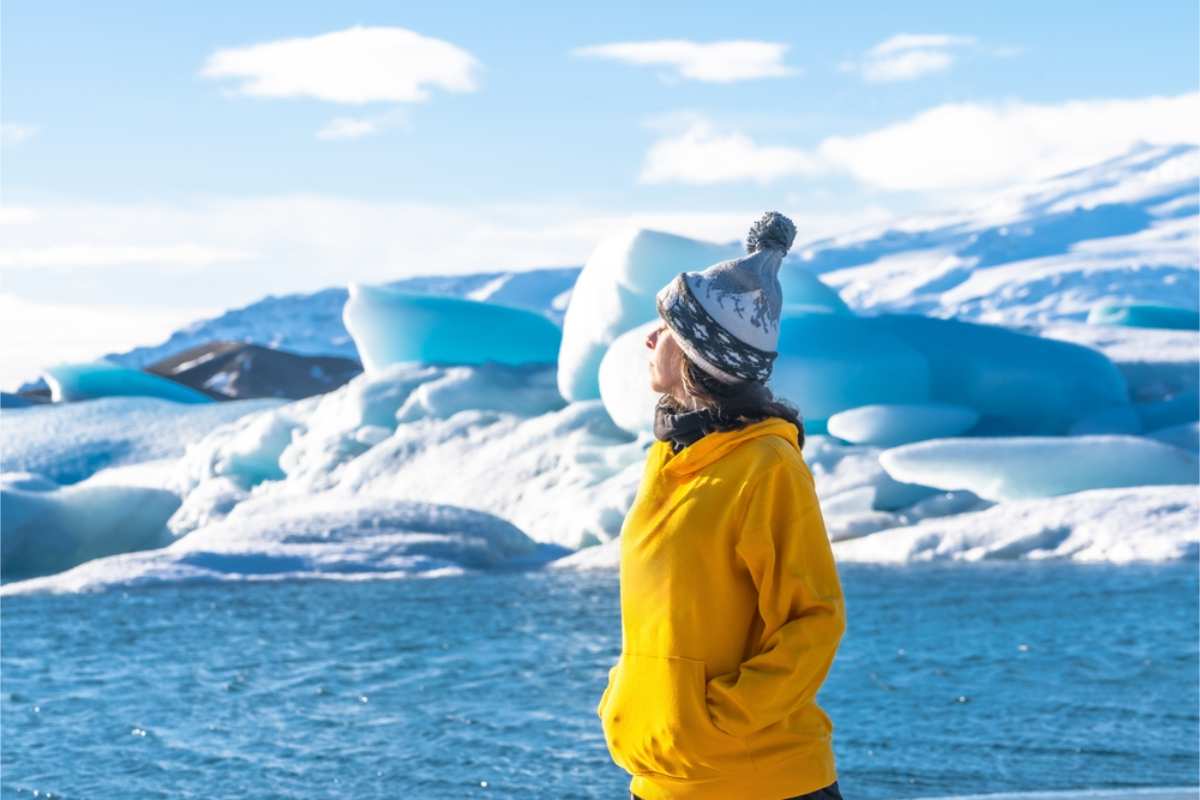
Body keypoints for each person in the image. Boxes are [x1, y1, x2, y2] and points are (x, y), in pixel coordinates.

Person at [595, 211, 848, 800]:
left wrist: (717, 721)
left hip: (758, 781)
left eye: (664, 327)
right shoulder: (671, 458)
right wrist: (628, 697)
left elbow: (815, 619)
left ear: (695, 355)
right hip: (662, 778)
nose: (649, 339)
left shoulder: (766, 467)